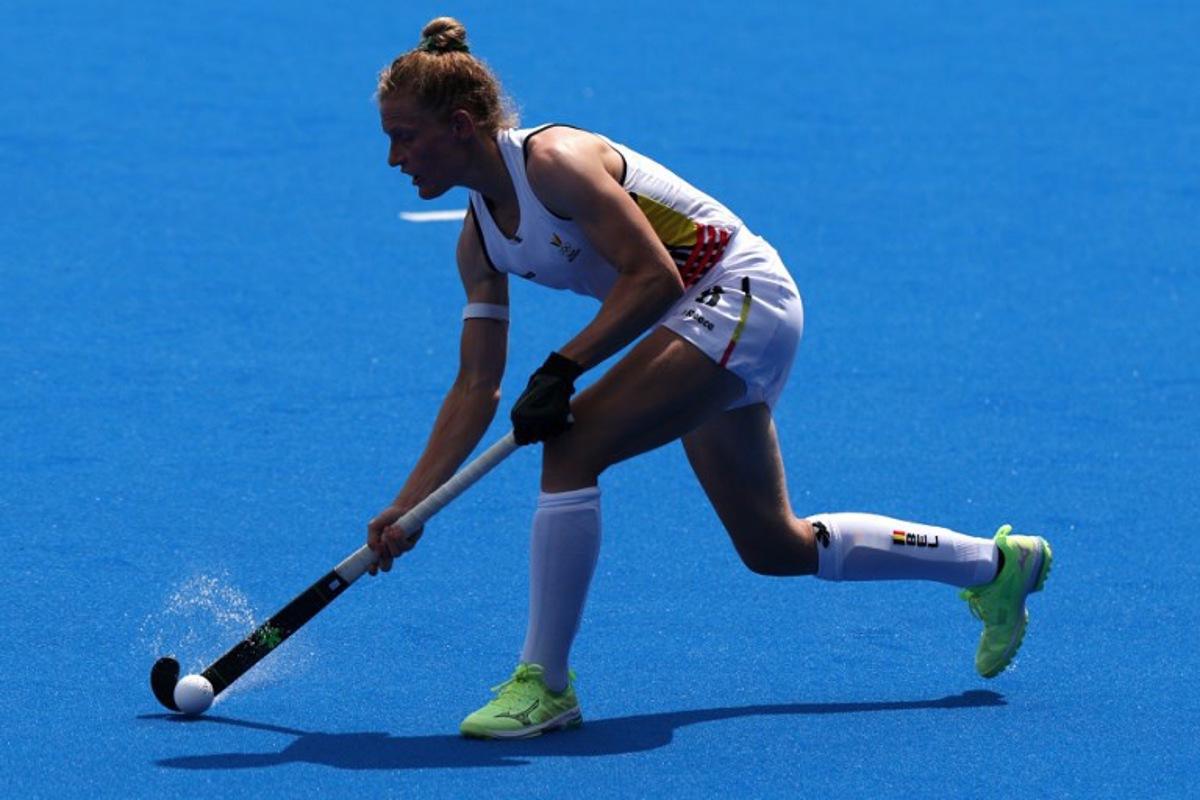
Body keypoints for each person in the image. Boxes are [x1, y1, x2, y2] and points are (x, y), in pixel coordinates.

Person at [365, 17, 1053, 740]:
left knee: (573, 446)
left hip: (741, 296)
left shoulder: (555, 162)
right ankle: (994, 565)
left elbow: (654, 278)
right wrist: (411, 505)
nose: (393, 158)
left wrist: (564, 368)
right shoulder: (478, 240)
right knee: (773, 546)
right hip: (698, 325)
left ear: (461, 125)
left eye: (404, 136)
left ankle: (545, 682)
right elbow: (476, 386)